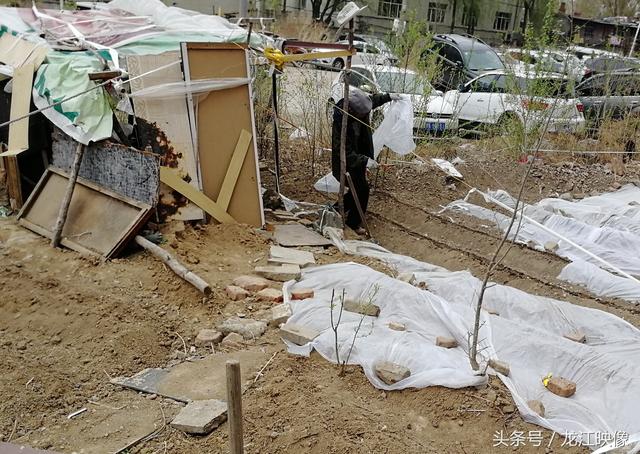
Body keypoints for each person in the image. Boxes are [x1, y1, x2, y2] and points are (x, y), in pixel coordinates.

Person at [331, 88, 400, 234]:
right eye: (363, 113)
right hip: (346, 163)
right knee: (362, 190)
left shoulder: (360, 105)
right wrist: (364, 161)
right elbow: (344, 152)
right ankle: (353, 223)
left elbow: (372, 101)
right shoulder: (341, 121)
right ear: (352, 110)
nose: (366, 114)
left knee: (358, 189)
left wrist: (388, 96)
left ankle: (335, 210)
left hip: (359, 158)